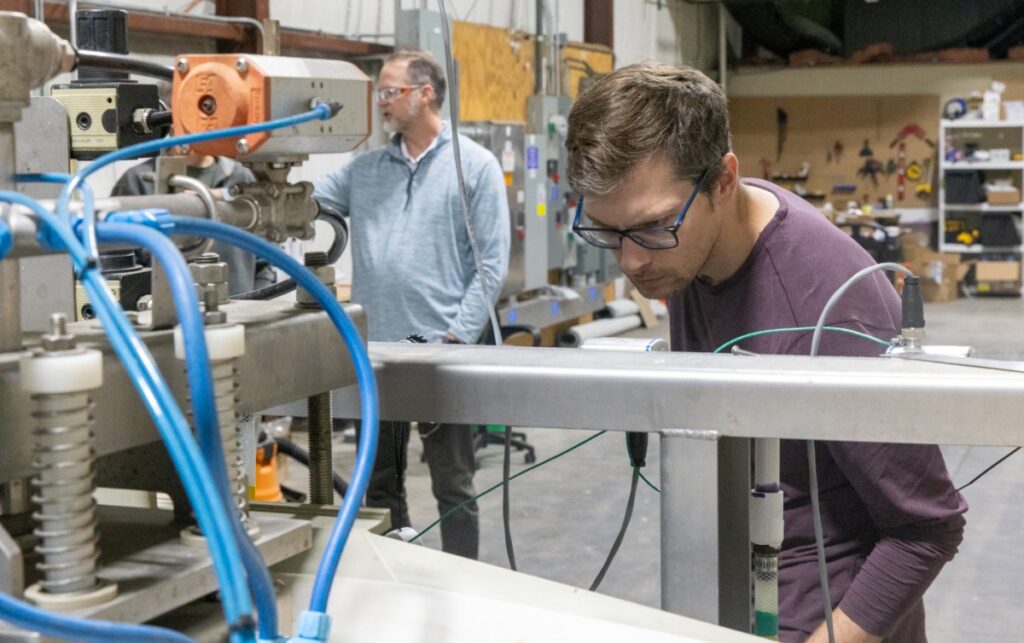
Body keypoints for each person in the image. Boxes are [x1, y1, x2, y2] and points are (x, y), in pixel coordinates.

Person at [565, 62, 966, 643]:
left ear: (724, 180)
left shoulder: (825, 300)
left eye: (651, 228)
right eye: (608, 232)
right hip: (742, 595)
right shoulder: (690, 248)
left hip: (825, 617)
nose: (631, 263)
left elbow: (926, 529)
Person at [313, 49, 510, 559]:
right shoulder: (366, 170)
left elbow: (491, 263)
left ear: (425, 95)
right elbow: (304, 200)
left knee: (454, 487)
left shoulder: (476, 166)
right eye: (380, 91)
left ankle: (465, 582)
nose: (381, 101)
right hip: (377, 350)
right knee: (378, 488)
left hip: (442, 350)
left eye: (389, 90)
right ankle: (393, 576)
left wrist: (456, 336)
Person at [111, 153, 276, 295]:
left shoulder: (241, 178)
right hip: (166, 323)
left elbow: (263, 264)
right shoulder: (138, 181)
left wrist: (254, 306)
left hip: (237, 323)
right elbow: (116, 268)